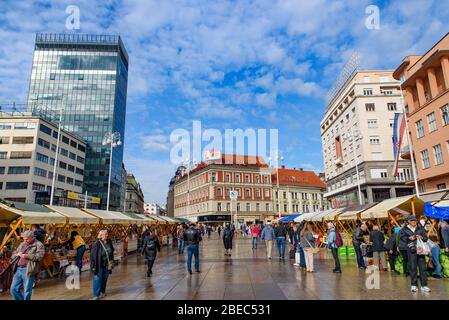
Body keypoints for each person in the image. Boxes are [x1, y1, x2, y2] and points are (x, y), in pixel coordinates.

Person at [10, 230, 45, 300]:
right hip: (18, 269)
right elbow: (14, 253)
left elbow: (39, 257)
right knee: (13, 289)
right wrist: (16, 254)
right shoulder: (22, 244)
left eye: (26, 239)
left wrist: (26, 256)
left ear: (32, 237)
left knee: (27, 291)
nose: (25, 240)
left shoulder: (39, 245)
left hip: (28, 269)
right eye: (24, 238)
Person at [400, 215, 431, 293]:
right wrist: (408, 238)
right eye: (412, 221)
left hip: (421, 250)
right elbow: (402, 238)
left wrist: (422, 237)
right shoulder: (404, 229)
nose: (414, 222)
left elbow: (426, 238)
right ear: (409, 222)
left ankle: (424, 285)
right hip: (411, 250)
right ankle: (414, 285)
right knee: (413, 268)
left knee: (423, 268)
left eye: (415, 221)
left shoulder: (420, 228)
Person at [90, 230, 114, 300]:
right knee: (97, 279)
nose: (107, 235)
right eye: (105, 234)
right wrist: (93, 266)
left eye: (107, 234)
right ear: (101, 235)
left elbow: (111, 251)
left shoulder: (109, 242)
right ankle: (96, 295)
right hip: (99, 264)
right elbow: (93, 256)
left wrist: (111, 261)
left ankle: (102, 291)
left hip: (107, 264)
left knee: (105, 278)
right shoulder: (97, 244)